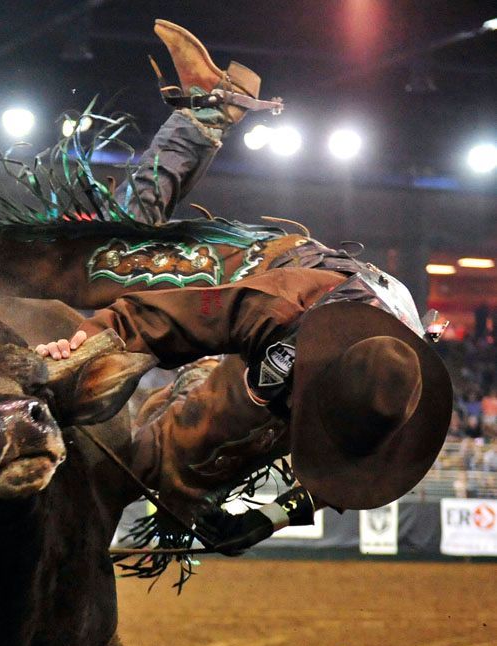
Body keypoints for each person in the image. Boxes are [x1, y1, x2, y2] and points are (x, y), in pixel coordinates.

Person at [37, 21, 453, 552]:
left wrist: (270, 518)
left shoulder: (390, 405)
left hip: (322, 336)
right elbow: (173, 317)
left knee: (172, 467)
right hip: (272, 274)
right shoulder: (282, 308)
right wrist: (91, 339)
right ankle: (206, 112)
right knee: (107, 262)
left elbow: (353, 465)